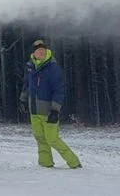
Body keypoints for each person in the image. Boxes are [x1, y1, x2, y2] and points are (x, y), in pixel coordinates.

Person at [20, 38, 82, 169]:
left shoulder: (52, 68)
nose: (41, 53)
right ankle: (45, 164)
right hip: (34, 110)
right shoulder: (30, 67)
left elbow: (59, 89)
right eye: (38, 51)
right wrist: (23, 100)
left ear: (46, 51)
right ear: (34, 53)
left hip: (48, 111)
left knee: (52, 139)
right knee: (40, 138)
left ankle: (74, 163)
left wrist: (55, 109)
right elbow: (26, 85)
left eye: (43, 50)